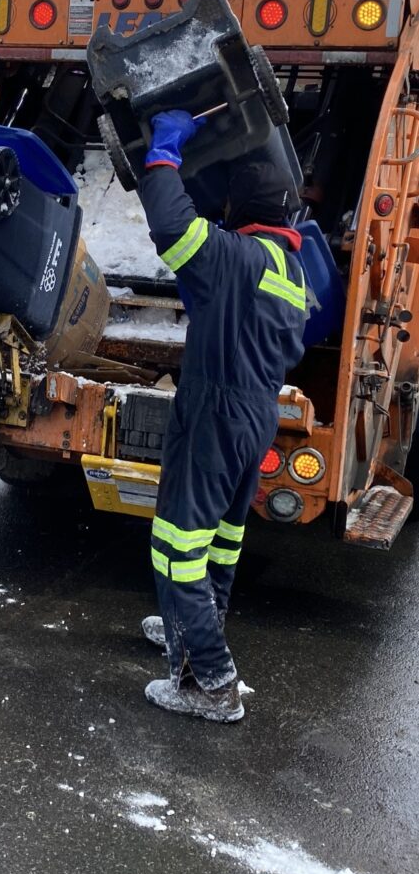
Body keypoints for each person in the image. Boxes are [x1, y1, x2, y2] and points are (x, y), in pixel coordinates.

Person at [137, 110, 306, 722]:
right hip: (256, 411)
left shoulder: (240, 260)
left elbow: (171, 226)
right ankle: (193, 624)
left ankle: (209, 682)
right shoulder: (291, 271)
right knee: (222, 542)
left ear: (245, 209)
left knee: (176, 546)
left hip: (216, 408)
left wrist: (163, 152)